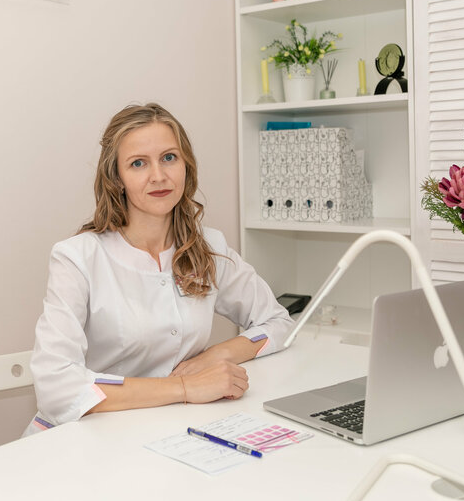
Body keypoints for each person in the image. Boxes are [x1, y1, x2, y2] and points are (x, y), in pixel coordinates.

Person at [26, 103, 294, 434]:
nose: (158, 176)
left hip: (168, 429)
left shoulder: (207, 247)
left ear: (186, 166)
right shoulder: (77, 258)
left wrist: (216, 356)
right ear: (117, 178)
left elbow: (279, 323)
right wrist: (185, 387)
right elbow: (56, 389)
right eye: (138, 163)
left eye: (169, 157)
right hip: (85, 437)